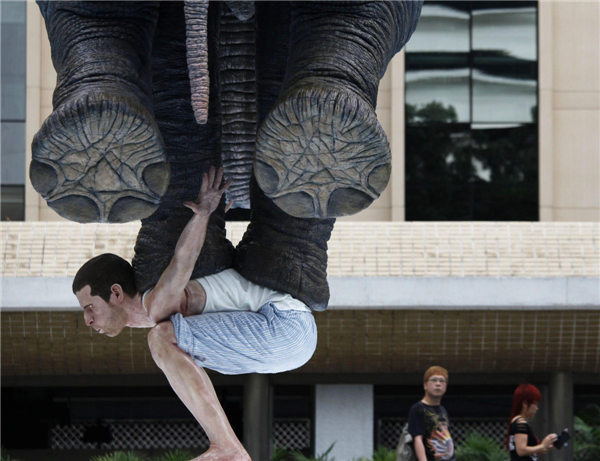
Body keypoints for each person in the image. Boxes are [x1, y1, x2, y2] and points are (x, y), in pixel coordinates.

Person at [72, 166, 317, 461]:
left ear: (115, 293)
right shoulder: (162, 317)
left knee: (161, 339)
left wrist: (203, 214)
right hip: (286, 341)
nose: (87, 320)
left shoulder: (156, 302)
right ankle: (228, 448)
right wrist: (212, 220)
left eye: (90, 308)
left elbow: (182, 262)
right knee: (166, 342)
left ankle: (227, 447)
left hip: (285, 325)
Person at [407, 366, 455, 461]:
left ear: (445, 387)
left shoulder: (442, 409)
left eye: (442, 381)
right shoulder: (418, 409)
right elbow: (418, 440)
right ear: (425, 385)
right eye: (434, 380)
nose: (438, 384)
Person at [507, 384, 557, 461]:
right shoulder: (520, 423)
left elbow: (526, 453)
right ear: (525, 404)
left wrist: (545, 447)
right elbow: (521, 451)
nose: (536, 408)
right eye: (535, 404)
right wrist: (542, 446)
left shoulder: (517, 421)